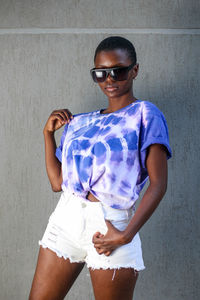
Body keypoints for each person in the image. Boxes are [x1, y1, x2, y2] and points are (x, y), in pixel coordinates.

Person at [29, 36, 172, 300]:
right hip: (66, 220)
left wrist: (126, 236)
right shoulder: (80, 122)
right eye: (100, 73)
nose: (109, 79)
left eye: (118, 71)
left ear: (134, 70)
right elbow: (57, 182)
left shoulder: (145, 114)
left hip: (112, 225)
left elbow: (158, 184)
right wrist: (47, 135)